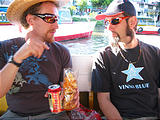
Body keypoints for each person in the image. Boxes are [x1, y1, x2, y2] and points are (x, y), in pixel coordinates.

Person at [0, 0, 79, 119]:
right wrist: (18, 57)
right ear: (30, 20)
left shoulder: (62, 52)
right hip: (15, 115)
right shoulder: (4, 48)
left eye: (57, 19)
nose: (57, 26)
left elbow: (67, 88)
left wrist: (69, 95)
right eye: (50, 18)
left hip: (53, 115)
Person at [91, 0, 160, 119]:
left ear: (132, 22)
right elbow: (104, 100)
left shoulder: (155, 54)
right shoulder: (103, 57)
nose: (109, 27)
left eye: (115, 21)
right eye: (107, 22)